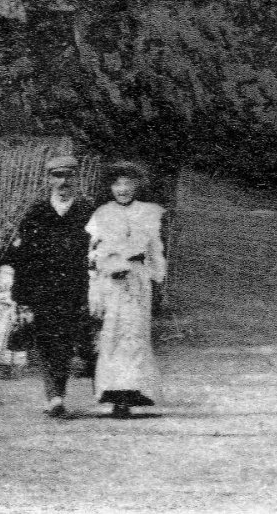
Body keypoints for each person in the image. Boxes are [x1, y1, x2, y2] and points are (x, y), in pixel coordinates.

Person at [0, 155, 96, 418]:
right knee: (47, 342)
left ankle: (75, 394)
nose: (63, 182)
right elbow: (22, 256)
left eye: (69, 176)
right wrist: (21, 297)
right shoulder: (36, 212)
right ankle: (55, 396)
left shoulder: (88, 211)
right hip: (43, 289)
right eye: (58, 176)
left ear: (77, 179)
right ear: (49, 180)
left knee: (73, 341)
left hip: (78, 288)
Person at [86, 161, 167, 419]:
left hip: (138, 280)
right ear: (110, 187)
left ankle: (136, 391)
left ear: (137, 186)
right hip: (112, 281)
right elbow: (93, 252)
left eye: (128, 183)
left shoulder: (149, 212)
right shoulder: (102, 214)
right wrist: (102, 274)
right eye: (117, 183)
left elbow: (155, 248)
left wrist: (157, 276)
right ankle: (114, 393)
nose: (123, 189)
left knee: (136, 333)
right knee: (112, 334)